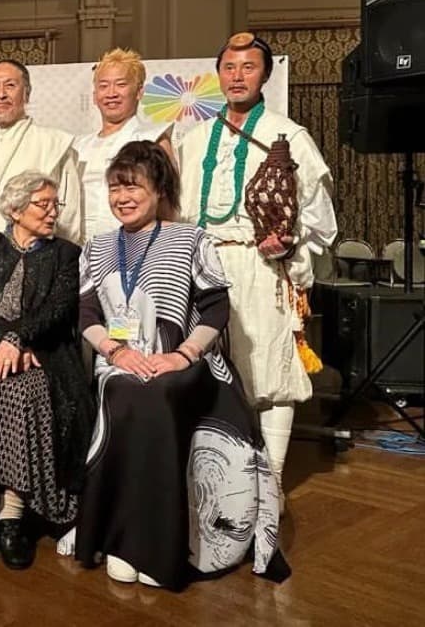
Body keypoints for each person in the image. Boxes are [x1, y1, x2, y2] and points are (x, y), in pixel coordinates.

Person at [67, 141, 288, 590]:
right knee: (125, 391)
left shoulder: (192, 239)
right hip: (121, 362)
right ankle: (121, 538)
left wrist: (181, 354)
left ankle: (154, 547)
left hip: (186, 362)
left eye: (134, 187)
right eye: (115, 188)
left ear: (159, 189)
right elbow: (86, 314)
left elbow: (215, 309)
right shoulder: (96, 247)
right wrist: (117, 352)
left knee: (154, 394)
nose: (123, 198)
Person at [179, 32, 337, 488]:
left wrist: (288, 247)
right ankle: (220, 482)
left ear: (265, 74)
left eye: (248, 67)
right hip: (204, 266)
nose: (237, 76)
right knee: (206, 371)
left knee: (270, 371)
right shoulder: (194, 139)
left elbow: (321, 221)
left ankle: (271, 483)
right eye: (229, 67)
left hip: (261, 269)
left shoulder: (290, 137)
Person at [0, 171, 92, 570]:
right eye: (43, 204)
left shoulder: (66, 254)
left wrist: (20, 340)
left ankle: (12, 512)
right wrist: (7, 340)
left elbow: (59, 310)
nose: (52, 212)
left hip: (43, 353)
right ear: (15, 209)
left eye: (54, 204)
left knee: (25, 396)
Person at [0, 60, 82, 245]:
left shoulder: (54, 144)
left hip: (40, 255)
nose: (1, 94)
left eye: (10, 86)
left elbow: (69, 216)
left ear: (26, 94)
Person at [73, 48, 174, 242]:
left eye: (120, 85)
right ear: (94, 96)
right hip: (80, 251)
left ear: (139, 92)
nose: (111, 93)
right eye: (103, 86)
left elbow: (169, 205)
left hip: (136, 246)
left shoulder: (154, 138)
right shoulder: (78, 146)